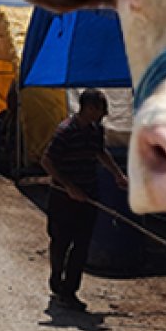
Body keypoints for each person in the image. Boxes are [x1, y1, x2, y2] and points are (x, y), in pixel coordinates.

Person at [41, 88, 127, 311]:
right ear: (88, 108)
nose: (104, 114)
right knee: (61, 242)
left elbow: (101, 153)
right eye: (101, 109)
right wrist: (68, 187)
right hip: (63, 198)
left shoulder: (95, 130)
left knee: (81, 245)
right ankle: (56, 278)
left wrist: (117, 174)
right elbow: (47, 161)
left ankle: (69, 291)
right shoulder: (65, 131)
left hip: (88, 196)